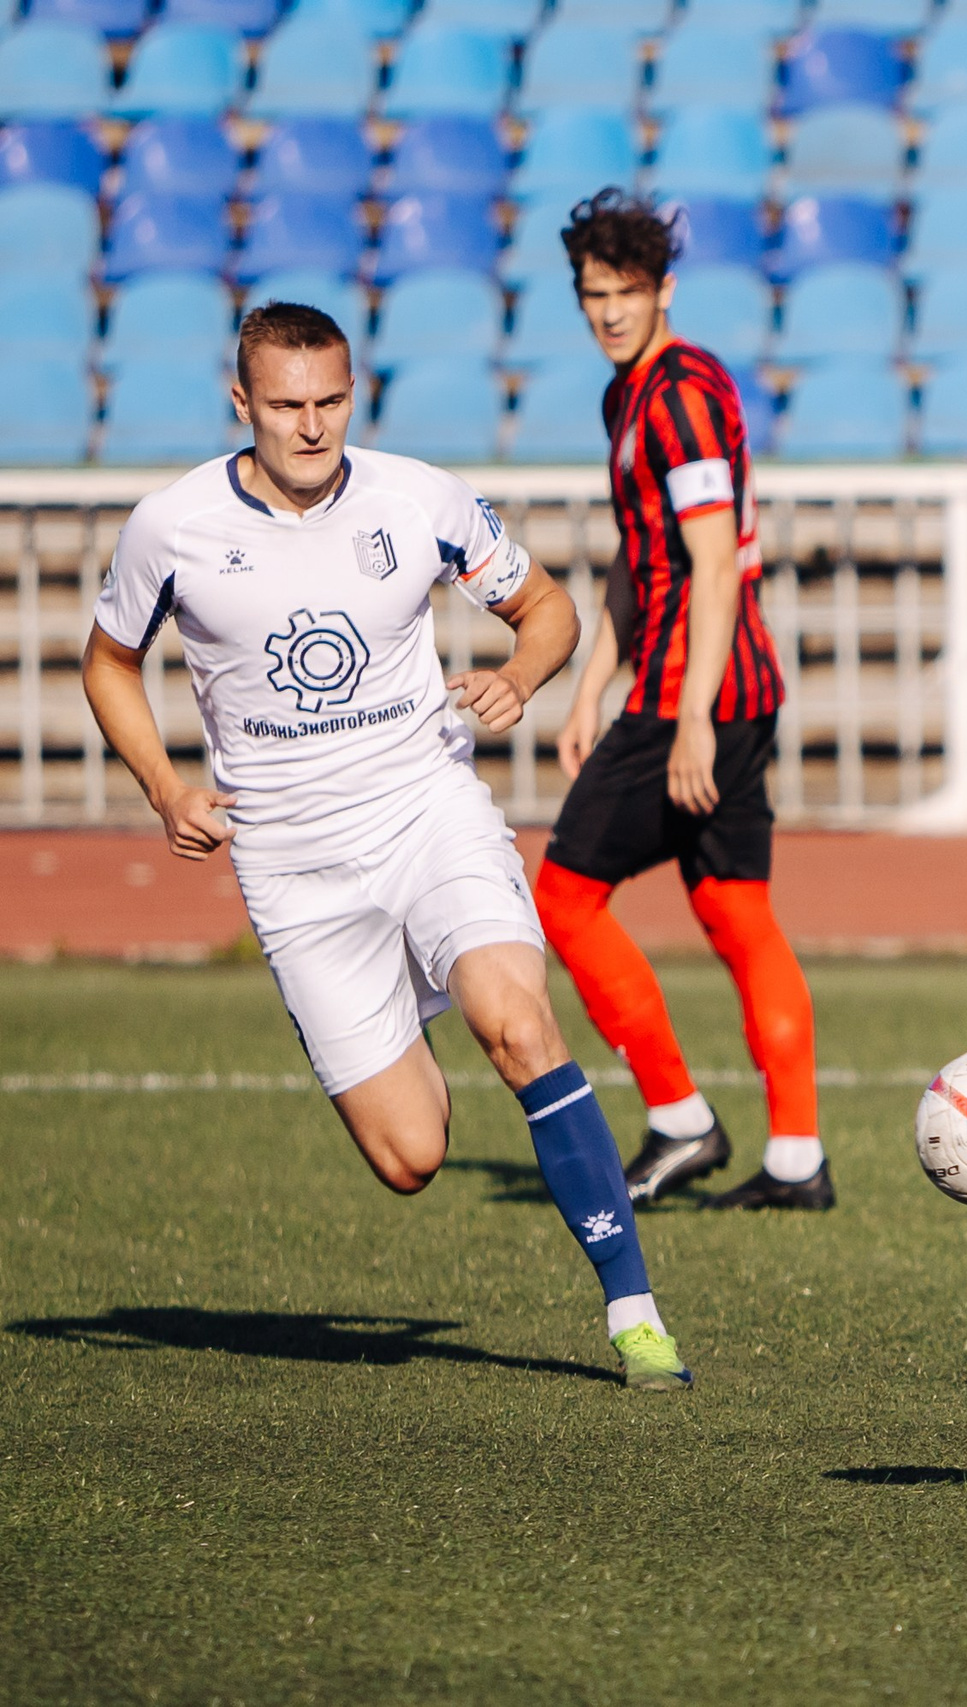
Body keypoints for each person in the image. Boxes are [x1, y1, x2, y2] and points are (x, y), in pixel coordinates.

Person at [80, 302, 691, 1390]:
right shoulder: (170, 527)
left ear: (352, 393)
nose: (311, 427)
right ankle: (415, 996)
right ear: (241, 403)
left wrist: (517, 677)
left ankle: (634, 1314)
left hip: (425, 809)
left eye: (331, 401)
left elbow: (548, 611)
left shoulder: (417, 498)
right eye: (285, 406)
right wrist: (166, 788)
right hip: (294, 865)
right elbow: (108, 663)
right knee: (410, 1158)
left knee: (518, 1023)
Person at [533, 190, 830, 1211]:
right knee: (734, 908)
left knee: (564, 895)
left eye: (626, 292)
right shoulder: (630, 395)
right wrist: (586, 689)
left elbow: (711, 565)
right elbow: (641, 556)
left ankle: (679, 1118)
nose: (609, 311)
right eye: (592, 294)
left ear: (665, 290)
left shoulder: (683, 396)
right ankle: (797, 1162)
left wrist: (690, 715)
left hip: (696, 695)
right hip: (703, 687)